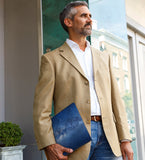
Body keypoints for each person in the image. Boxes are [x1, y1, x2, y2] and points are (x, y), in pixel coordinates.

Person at [33, 1, 134, 160]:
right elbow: (41, 109)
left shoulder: (103, 57)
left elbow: (116, 101)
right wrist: (48, 144)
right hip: (74, 137)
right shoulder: (51, 60)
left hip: (108, 136)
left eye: (90, 16)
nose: (89, 19)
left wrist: (125, 138)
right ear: (69, 22)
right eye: (83, 16)